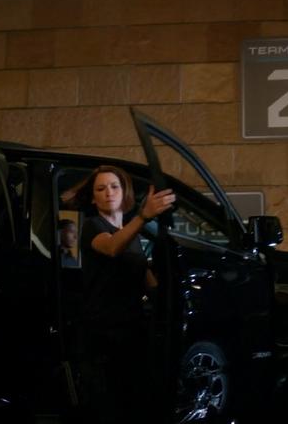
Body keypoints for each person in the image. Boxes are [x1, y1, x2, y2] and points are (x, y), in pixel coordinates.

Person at [63, 165, 175, 423]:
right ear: (93, 198)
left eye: (114, 186)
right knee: (106, 406)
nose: (108, 193)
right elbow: (112, 247)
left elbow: (147, 279)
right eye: (100, 189)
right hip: (101, 333)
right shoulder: (93, 226)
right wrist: (143, 217)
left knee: (132, 404)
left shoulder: (132, 234)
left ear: (124, 193)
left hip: (131, 330)